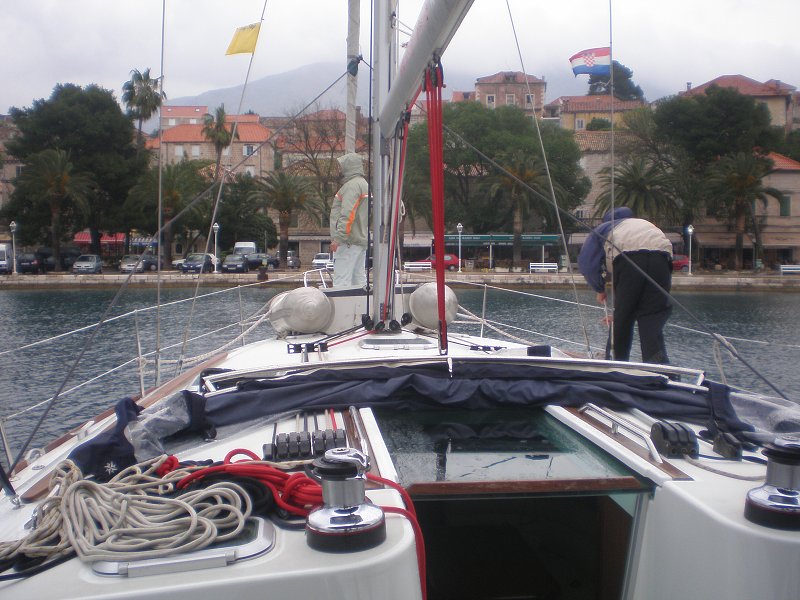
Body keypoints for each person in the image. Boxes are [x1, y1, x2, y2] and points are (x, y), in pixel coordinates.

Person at [578, 207, 673, 364]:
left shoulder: (605, 228)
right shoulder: (645, 224)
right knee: (651, 319)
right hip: (661, 261)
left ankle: (616, 363)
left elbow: (587, 262)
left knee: (622, 319)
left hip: (629, 259)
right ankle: (658, 366)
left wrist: (599, 288)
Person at [329, 153, 369, 287]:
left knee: (341, 280)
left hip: (347, 241)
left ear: (348, 166)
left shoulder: (351, 186)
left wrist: (338, 238)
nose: (340, 169)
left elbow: (347, 213)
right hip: (360, 240)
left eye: (341, 166)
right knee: (359, 281)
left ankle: (343, 302)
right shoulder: (364, 184)